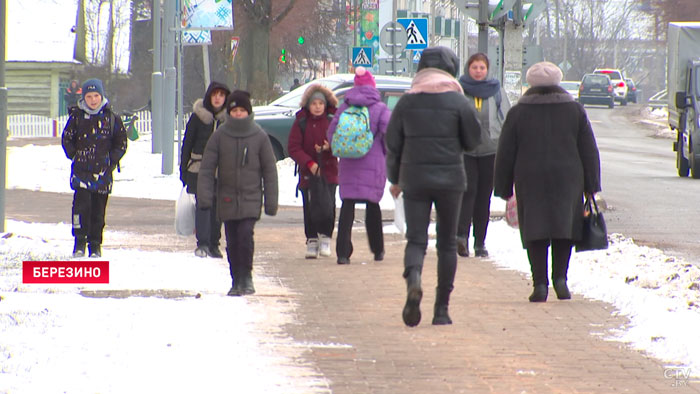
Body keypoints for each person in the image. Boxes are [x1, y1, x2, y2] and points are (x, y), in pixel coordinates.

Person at [385, 47, 481, 327]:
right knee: (447, 243)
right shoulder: (459, 102)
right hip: (451, 180)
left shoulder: (406, 103)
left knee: (416, 240)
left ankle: (414, 279)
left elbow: (393, 145)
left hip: (414, 179)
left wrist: (395, 179)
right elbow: (473, 141)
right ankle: (442, 310)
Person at [493, 61, 601, 303]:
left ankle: (539, 284)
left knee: (535, 229)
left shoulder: (518, 112)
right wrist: (592, 185)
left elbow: (506, 151)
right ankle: (561, 280)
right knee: (565, 228)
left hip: (530, 177)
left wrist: (502, 186)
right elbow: (588, 149)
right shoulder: (575, 110)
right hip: (568, 177)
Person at [197, 90, 279, 296]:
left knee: (245, 236)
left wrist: (271, 201)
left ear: (248, 112)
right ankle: (235, 280)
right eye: (235, 110)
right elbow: (207, 169)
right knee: (232, 241)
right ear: (229, 112)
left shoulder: (259, 136)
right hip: (226, 198)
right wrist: (205, 198)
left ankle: (247, 277)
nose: (239, 114)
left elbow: (270, 170)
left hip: (251, 197)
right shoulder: (220, 136)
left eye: (243, 110)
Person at [327, 67, 391, 265]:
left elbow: (331, 134)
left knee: (348, 206)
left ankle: (343, 253)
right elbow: (389, 135)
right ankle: (377, 249)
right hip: (373, 162)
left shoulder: (344, 107)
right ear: (373, 86)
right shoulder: (380, 108)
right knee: (373, 205)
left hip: (348, 163)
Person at [61, 78, 128, 258]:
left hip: (102, 175)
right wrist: (75, 155)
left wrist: (110, 161)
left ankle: (95, 245)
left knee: (98, 212)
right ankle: (79, 243)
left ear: (101, 96)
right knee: (81, 209)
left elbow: (121, 143)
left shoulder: (111, 118)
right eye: (89, 96)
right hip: (81, 174)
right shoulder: (77, 117)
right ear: (84, 98)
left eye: (96, 96)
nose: (93, 100)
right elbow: (67, 138)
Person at [456, 53, 511, 258]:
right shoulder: (460, 89)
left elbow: (506, 118)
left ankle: (480, 243)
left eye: (482, 68)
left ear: (487, 69)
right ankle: (461, 238)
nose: (478, 71)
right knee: (467, 194)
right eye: (474, 67)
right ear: (467, 69)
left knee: (483, 198)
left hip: (490, 151)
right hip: (466, 151)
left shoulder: (496, 90)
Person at [287, 84, 339, 259]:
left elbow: (341, 143)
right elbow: (293, 147)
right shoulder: (301, 122)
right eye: (314, 103)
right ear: (308, 105)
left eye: (320, 103)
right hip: (308, 172)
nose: (317, 107)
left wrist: (329, 147)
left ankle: (325, 238)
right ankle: (311, 240)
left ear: (325, 105)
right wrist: (309, 162)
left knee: (327, 206)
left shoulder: (332, 120)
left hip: (329, 171)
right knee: (309, 207)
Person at [180, 81, 231, 258]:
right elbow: (187, 144)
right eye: (214, 94)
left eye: (221, 95)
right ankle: (202, 244)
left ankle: (214, 244)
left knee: (218, 208)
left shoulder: (229, 120)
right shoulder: (198, 117)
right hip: (199, 168)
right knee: (203, 205)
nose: (217, 98)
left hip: (222, 171)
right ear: (209, 96)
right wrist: (183, 170)